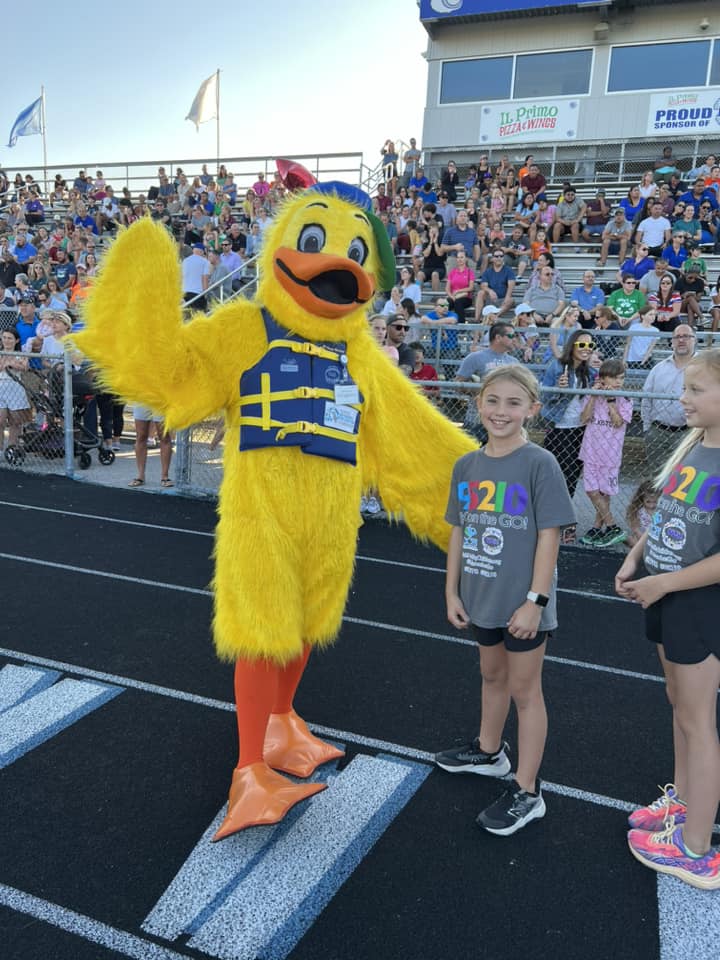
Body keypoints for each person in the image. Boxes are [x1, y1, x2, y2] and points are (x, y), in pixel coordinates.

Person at [436, 364, 575, 836]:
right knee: (490, 675)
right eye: (492, 401)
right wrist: (452, 589)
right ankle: (489, 750)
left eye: (513, 403)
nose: (501, 411)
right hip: (481, 597)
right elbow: (459, 529)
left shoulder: (540, 463)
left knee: (525, 691)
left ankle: (528, 790)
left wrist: (535, 601)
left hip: (522, 604)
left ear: (532, 409)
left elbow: (550, 536)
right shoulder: (467, 465)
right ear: (478, 404)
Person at [617, 348, 720, 890]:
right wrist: (636, 558)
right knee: (680, 706)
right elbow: (667, 519)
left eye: (695, 390)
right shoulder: (693, 445)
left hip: (697, 602)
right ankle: (682, 805)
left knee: (699, 721)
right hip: (664, 593)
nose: (683, 399)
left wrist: (665, 583)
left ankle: (698, 849)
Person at [577, 358, 633, 547]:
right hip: (591, 451)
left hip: (610, 455)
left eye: (621, 378)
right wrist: (594, 396)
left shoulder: (625, 399)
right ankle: (612, 527)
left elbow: (618, 422)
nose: (618, 382)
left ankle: (597, 528)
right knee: (591, 490)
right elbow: (584, 418)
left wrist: (610, 401)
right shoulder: (593, 395)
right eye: (614, 378)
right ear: (602, 379)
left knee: (604, 493)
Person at [541, 330, 598, 501]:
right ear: (572, 345)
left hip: (580, 429)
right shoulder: (557, 366)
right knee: (552, 473)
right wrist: (558, 389)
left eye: (590, 345)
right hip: (558, 427)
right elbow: (544, 397)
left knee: (572, 473)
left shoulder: (590, 372)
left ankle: (565, 512)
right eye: (581, 344)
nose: (586, 348)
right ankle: (546, 510)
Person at [640, 324, 695, 474]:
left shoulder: (702, 367)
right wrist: (647, 429)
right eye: (677, 337)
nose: (681, 340)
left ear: (694, 340)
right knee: (657, 479)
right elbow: (646, 399)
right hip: (657, 433)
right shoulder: (658, 369)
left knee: (684, 479)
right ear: (671, 341)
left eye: (686, 336)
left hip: (687, 433)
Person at [456, 321, 519, 442]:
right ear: (498, 338)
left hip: (504, 419)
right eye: (511, 336)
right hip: (477, 418)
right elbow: (458, 383)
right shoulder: (475, 357)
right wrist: (476, 390)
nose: (514, 339)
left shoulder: (514, 362)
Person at [129, 405, 173, 488]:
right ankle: (140, 476)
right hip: (141, 397)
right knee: (141, 436)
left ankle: (165, 477)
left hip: (160, 398)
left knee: (164, 436)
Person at [0, 328, 29, 450]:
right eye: (4, 337)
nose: (6, 340)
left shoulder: (21, 353)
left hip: (15, 387)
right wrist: (11, 363)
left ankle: (12, 448)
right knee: (0, 421)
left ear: (16, 340)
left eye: (10, 338)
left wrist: (11, 363)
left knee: (15, 421)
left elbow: (24, 367)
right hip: (1, 386)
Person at [474, 250, 515, 322]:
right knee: (481, 293)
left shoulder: (509, 270)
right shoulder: (487, 272)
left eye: (501, 256)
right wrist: (490, 291)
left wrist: (507, 297)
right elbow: (483, 286)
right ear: (492, 258)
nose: (499, 258)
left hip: (502, 299)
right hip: (490, 299)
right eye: (496, 256)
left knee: (511, 300)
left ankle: (494, 316)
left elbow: (511, 285)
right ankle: (477, 319)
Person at [624, 479, 659, 549]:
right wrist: (643, 540)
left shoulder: (660, 510)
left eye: (655, 502)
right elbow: (636, 529)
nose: (651, 506)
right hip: (641, 536)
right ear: (642, 498)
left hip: (655, 536)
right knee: (633, 541)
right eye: (648, 502)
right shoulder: (639, 511)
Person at [445, 250, 475, 322]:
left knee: (458, 302)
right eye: (458, 257)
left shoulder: (469, 272)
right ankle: (443, 325)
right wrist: (452, 296)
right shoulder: (452, 272)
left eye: (462, 257)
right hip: (453, 297)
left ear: (466, 259)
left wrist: (458, 291)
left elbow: (471, 288)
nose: (459, 259)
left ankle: (461, 325)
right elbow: (447, 288)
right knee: (445, 304)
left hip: (466, 298)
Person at [182, 244, 211, 309]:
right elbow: (205, 279)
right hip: (197, 294)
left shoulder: (185, 261)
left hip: (184, 293)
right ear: (202, 251)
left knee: (187, 317)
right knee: (199, 316)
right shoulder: (205, 262)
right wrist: (206, 295)